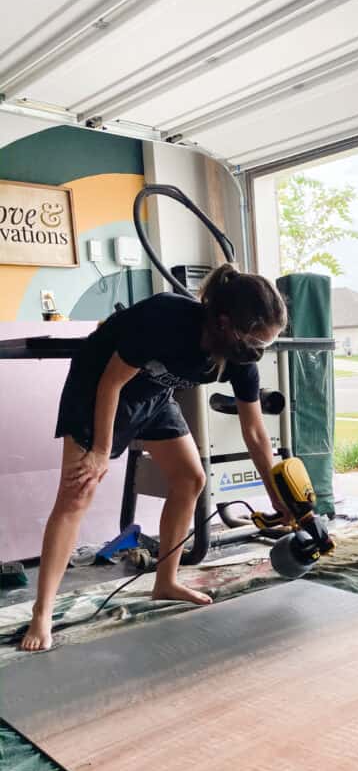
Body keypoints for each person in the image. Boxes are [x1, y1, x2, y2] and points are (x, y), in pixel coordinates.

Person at [21, 264, 289, 653]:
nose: (258, 352)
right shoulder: (166, 318)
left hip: (153, 395)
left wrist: (277, 496)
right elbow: (111, 381)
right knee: (77, 492)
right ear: (225, 322)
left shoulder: (240, 357)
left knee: (189, 479)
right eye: (256, 341)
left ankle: (166, 581)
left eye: (266, 343)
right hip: (97, 390)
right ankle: (42, 613)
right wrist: (99, 453)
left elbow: (255, 433)